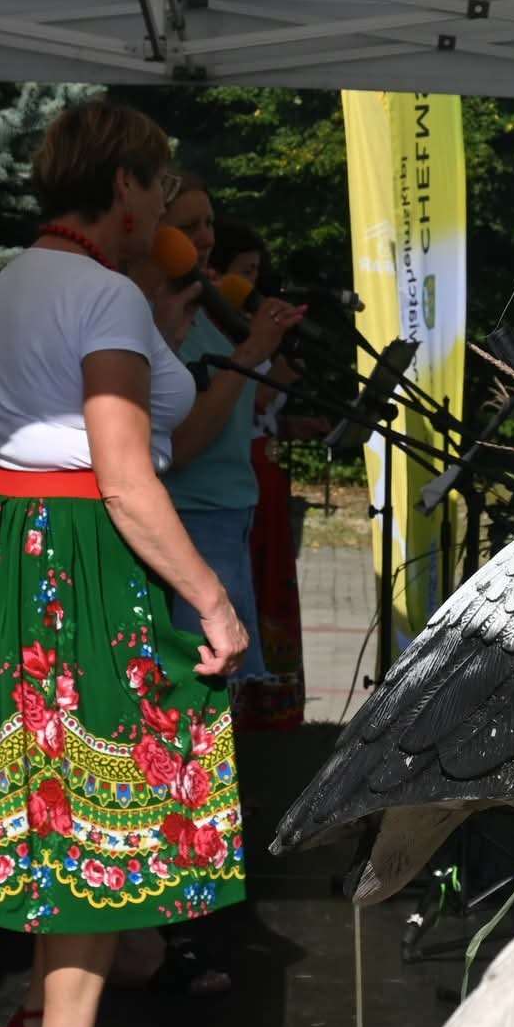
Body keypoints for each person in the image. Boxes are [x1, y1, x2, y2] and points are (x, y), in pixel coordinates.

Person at [0, 98, 250, 1027]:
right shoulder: (103, 293)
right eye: (160, 185)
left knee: (54, 793)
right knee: (99, 803)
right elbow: (121, 472)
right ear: (123, 186)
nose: (167, 204)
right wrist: (211, 596)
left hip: (13, 537)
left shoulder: (17, 282)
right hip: (79, 548)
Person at [158, 181, 303, 693]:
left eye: (208, 224)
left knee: (223, 698)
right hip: (190, 521)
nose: (204, 238)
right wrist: (249, 354)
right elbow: (182, 444)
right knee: (197, 698)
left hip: (228, 514)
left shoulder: (206, 305)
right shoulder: (158, 318)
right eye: (187, 226)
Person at [214, 219, 322, 729]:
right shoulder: (219, 334)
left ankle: (273, 704)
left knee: (273, 583)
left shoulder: (251, 332)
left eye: (258, 271)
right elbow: (234, 405)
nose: (254, 282)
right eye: (244, 270)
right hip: (239, 479)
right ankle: (243, 705)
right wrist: (272, 375)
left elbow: (262, 413)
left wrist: (294, 421)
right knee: (247, 585)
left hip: (268, 474)